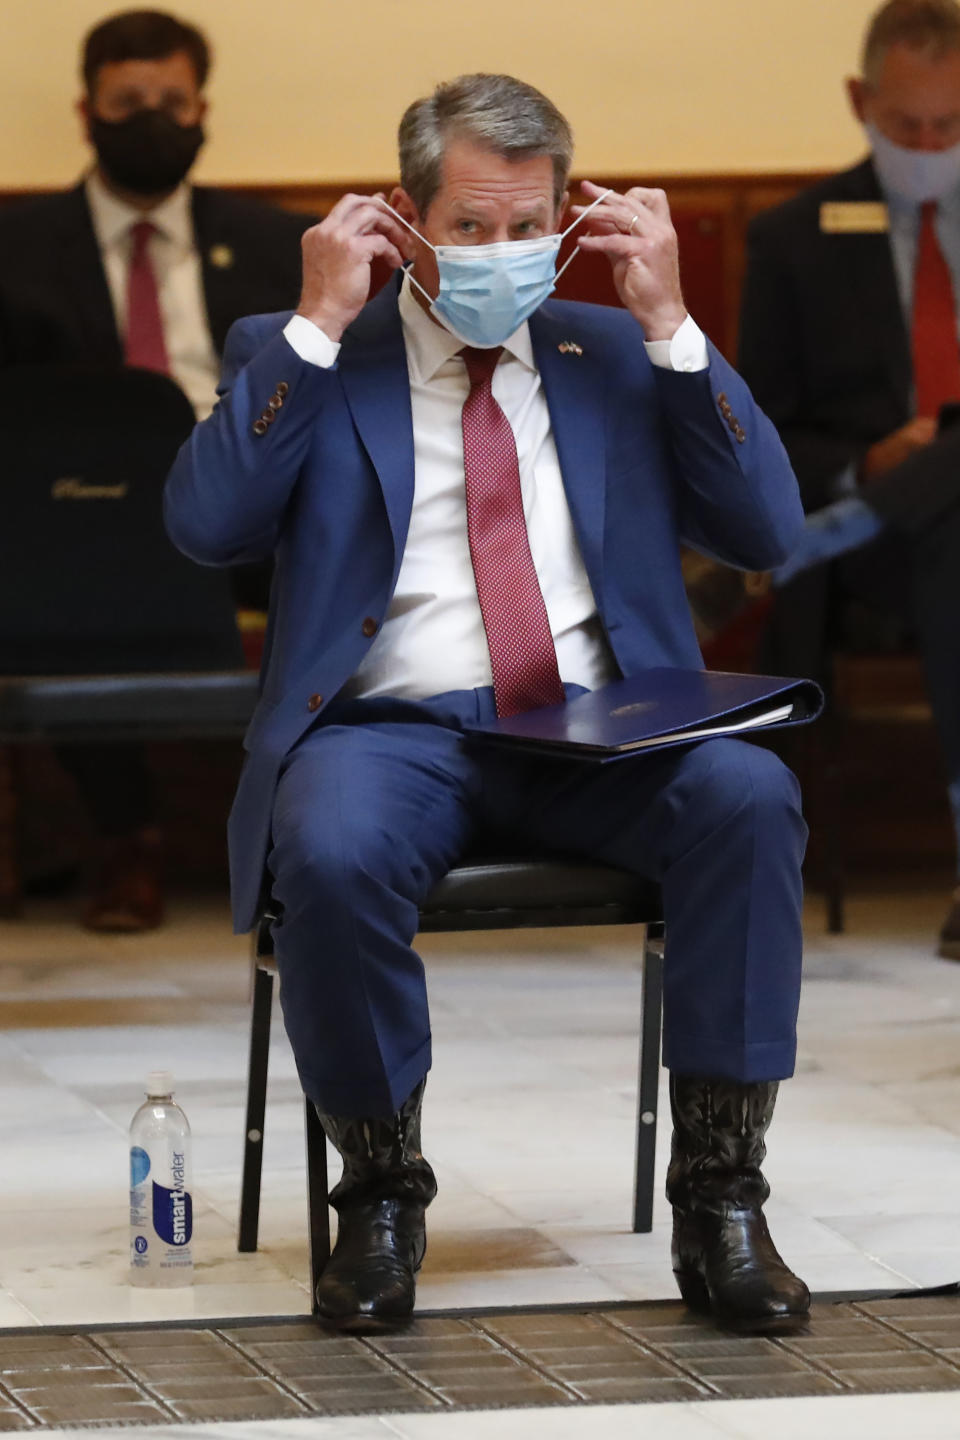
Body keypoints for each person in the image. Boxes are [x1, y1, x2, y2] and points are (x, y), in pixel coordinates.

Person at [166, 72, 809, 1336]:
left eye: (530, 225)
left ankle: (722, 1197)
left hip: (598, 728)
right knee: (333, 845)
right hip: (390, 729)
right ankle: (381, 1193)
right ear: (404, 221)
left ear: (572, 216)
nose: (504, 254)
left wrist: (675, 321)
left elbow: (766, 530)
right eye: (471, 227)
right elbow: (204, 529)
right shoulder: (302, 348)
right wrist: (309, 322)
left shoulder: (617, 351)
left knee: (749, 793)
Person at [0, 9, 313, 932]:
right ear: (86, 111)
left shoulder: (273, 244)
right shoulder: (14, 251)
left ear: (204, 110)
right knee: (66, 573)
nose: (153, 120)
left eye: (172, 102)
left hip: (254, 502)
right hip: (86, 519)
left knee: (349, 558)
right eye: (128, 101)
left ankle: (313, 836)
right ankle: (127, 839)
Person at [739, 0, 960, 959]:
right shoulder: (796, 238)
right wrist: (866, 464)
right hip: (887, 553)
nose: (926, 145)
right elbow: (758, 433)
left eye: (949, 127)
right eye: (905, 125)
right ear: (859, 100)